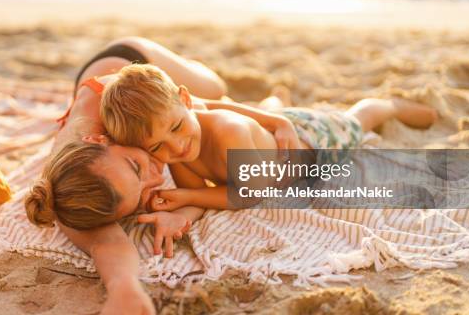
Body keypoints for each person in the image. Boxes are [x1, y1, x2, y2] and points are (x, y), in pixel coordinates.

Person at [24, 37, 296, 315]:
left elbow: (203, 106)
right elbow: (104, 241)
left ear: (99, 140)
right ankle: (270, 106)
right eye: (142, 195)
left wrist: (275, 120)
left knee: (217, 88)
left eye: (134, 165)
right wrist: (125, 287)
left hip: (131, 59)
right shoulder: (75, 190)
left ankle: (273, 104)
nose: (156, 177)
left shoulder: (96, 125)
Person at [99, 63, 438, 216]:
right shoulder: (182, 144)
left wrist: (183, 194)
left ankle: (388, 104)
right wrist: (181, 203)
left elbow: (249, 195)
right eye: (157, 147)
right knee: (264, 116)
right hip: (267, 135)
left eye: (175, 128)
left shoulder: (228, 131)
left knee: (356, 121)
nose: (176, 148)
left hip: (313, 142)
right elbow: (205, 196)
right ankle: (274, 104)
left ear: (186, 101)